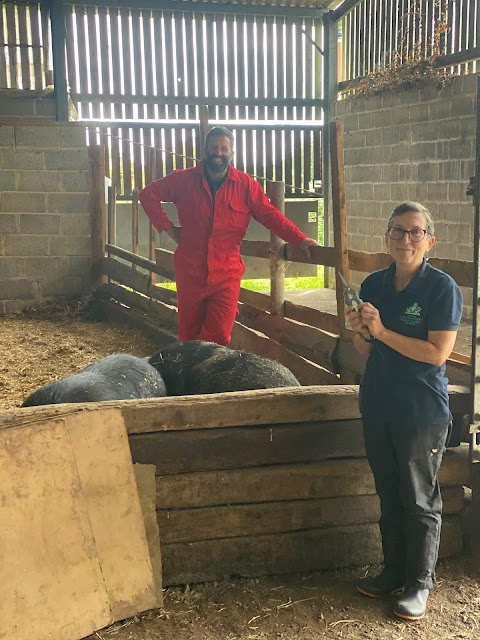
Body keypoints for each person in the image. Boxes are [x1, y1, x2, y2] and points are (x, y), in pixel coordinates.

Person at [347, 202, 463, 621]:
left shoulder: (442, 289)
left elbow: (436, 354)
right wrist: (361, 332)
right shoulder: (374, 284)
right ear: (387, 237)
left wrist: (380, 331)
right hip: (378, 403)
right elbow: (366, 349)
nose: (406, 239)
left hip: (420, 410)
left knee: (418, 498)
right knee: (389, 493)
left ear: (429, 240)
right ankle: (392, 570)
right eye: (398, 231)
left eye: (415, 232)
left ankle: (419, 583)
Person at [139, 126, 319, 345]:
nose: (219, 152)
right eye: (215, 147)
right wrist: (168, 228)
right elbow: (148, 194)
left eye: (224, 148)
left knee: (220, 335)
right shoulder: (184, 180)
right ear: (205, 150)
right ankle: (190, 376)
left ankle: (207, 374)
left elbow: (271, 216)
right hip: (190, 271)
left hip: (226, 275)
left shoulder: (246, 186)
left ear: (232, 153)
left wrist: (300, 239)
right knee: (188, 333)